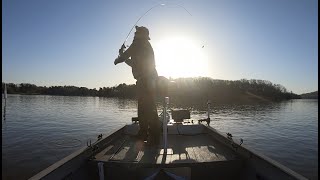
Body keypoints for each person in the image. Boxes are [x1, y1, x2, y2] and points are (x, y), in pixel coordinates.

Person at [114, 26, 160, 145]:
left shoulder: (138, 44)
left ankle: (151, 137)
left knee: (146, 108)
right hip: (149, 80)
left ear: (141, 34)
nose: (134, 34)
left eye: (137, 32)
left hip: (145, 81)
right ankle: (147, 135)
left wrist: (118, 58)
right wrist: (122, 56)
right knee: (148, 108)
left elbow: (124, 57)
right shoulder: (144, 46)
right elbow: (134, 63)